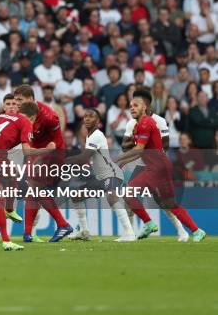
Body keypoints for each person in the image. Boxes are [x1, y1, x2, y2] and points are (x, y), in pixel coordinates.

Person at [115, 90, 206, 243]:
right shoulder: (138, 125)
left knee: (128, 192)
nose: (131, 108)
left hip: (158, 168)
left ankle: (149, 223)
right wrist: (123, 161)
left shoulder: (147, 122)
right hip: (156, 166)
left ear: (145, 107)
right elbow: (140, 151)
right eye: (130, 106)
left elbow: (139, 149)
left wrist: (118, 159)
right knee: (169, 203)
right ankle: (197, 231)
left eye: (135, 105)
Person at [0, 98, 48, 251]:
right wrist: (48, 149)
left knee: (9, 176)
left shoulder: (0, 117)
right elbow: (27, 151)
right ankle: (6, 234)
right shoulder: (24, 121)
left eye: (15, 104)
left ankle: (8, 215)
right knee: (0, 194)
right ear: (33, 117)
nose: (13, 107)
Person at [12, 84, 73, 243]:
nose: (16, 102)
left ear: (31, 99)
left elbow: (57, 141)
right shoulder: (19, 113)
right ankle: (27, 234)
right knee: (32, 191)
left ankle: (63, 224)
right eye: (15, 99)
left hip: (52, 153)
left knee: (35, 188)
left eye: (20, 99)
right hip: (35, 152)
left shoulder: (49, 116)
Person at [64, 108, 136, 242]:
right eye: (85, 116)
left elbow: (85, 157)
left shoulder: (97, 135)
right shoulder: (89, 136)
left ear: (98, 121)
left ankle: (130, 234)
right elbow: (86, 159)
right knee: (76, 196)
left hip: (111, 173)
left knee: (112, 198)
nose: (87, 118)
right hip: (100, 177)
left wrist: (62, 161)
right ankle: (84, 232)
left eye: (91, 116)